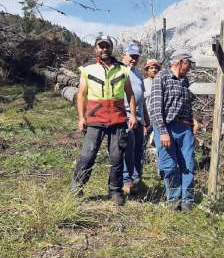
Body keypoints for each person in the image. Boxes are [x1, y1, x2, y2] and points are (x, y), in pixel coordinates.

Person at [71, 35, 137, 206]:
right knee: (87, 155)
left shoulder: (123, 70)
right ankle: (76, 188)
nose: (104, 49)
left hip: (118, 119)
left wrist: (134, 115)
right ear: (96, 49)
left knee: (116, 157)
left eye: (107, 46)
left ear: (111, 48)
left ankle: (115, 190)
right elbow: (81, 95)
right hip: (95, 118)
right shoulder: (88, 70)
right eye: (101, 46)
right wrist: (81, 118)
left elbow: (130, 94)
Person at [149, 52, 199, 211]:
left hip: (185, 129)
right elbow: (155, 107)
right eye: (189, 63)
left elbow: (187, 105)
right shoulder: (162, 77)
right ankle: (173, 200)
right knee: (168, 165)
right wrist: (163, 131)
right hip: (166, 127)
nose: (190, 67)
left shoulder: (185, 81)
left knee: (188, 164)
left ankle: (187, 201)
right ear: (181, 62)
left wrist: (194, 120)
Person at [121, 43, 150, 194]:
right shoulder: (120, 71)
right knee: (128, 149)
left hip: (139, 118)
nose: (134, 59)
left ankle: (137, 179)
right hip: (125, 116)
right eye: (132, 56)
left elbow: (142, 99)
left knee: (139, 149)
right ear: (124, 55)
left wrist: (146, 118)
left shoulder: (138, 74)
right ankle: (126, 180)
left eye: (136, 57)